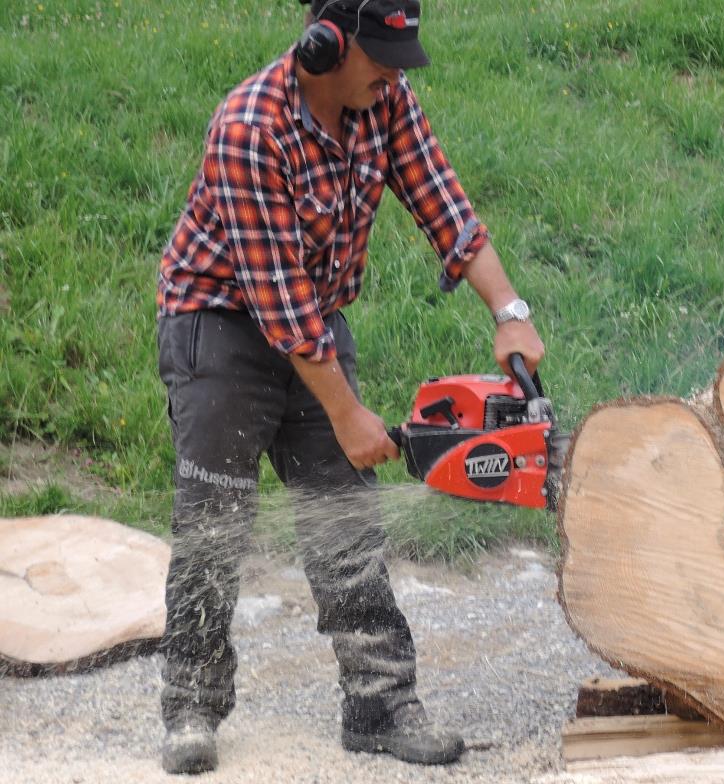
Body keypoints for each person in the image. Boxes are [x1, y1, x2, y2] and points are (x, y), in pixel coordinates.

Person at [154, 0, 543, 774]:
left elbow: (445, 204)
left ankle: (379, 704)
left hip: (312, 325)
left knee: (349, 519)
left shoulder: (384, 101)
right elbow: (279, 301)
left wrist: (509, 311)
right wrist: (347, 413)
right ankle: (191, 707)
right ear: (324, 44)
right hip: (221, 326)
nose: (395, 72)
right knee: (213, 521)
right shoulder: (248, 127)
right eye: (380, 55)